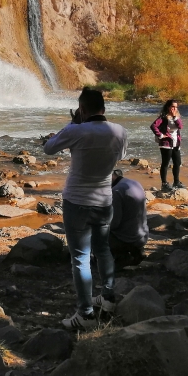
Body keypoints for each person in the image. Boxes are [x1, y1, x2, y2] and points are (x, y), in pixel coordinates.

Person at [44, 87, 128, 330]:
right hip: (104, 200)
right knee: (103, 250)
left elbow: (48, 148)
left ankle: (86, 315)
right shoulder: (119, 131)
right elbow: (119, 156)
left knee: (80, 258)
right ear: (104, 107)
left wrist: (71, 125)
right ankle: (109, 297)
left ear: (81, 109)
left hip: (76, 202)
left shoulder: (75, 130)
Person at [109, 170, 148, 269]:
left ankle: (122, 257)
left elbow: (114, 224)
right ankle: (136, 251)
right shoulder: (135, 183)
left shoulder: (116, 191)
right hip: (143, 235)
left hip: (129, 238)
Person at [151, 99, 184, 191]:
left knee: (177, 162)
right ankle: (164, 183)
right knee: (165, 163)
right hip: (166, 143)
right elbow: (153, 126)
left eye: (176, 107)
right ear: (168, 107)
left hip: (176, 143)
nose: (174, 108)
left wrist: (174, 117)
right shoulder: (163, 117)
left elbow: (180, 126)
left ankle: (176, 182)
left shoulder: (177, 116)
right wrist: (161, 135)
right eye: (172, 106)